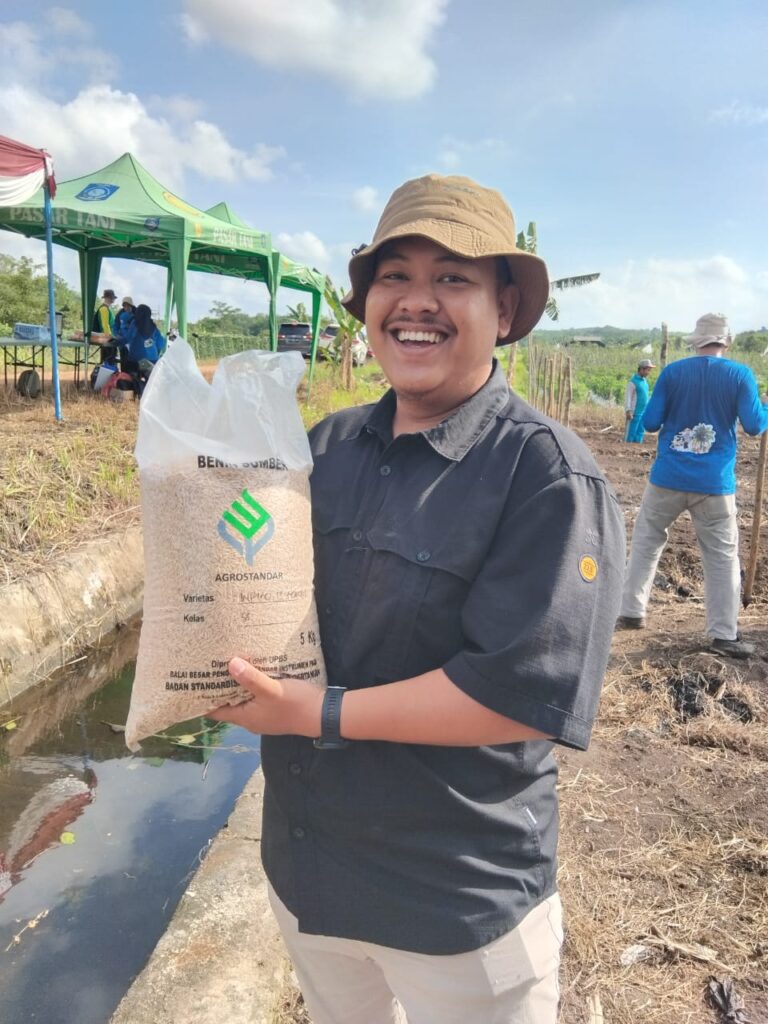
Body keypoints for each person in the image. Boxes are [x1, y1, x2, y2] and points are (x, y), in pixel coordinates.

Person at [208, 174, 625, 1024]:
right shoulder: (324, 447)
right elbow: (263, 593)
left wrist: (314, 712)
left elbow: (515, 695)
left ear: (504, 309)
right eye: (394, 276)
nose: (417, 302)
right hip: (309, 874)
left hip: (453, 903)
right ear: (368, 306)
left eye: (452, 278)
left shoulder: (546, 476)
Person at [617, 312, 768, 658]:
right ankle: (724, 634)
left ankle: (632, 611)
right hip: (714, 484)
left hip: (667, 478)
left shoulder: (672, 373)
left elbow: (651, 423)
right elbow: (754, 426)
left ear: (697, 341)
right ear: (726, 342)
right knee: (722, 557)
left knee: (646, 540)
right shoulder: (740, 375)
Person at [113, 303, 165, 395]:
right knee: (148, 371)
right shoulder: (153, 327)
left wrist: (114, 342)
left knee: (127, 363)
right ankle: (146, 387)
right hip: (152, 362)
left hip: (136, 362)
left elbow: (127, 339)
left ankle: (134, 386)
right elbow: (161, 344)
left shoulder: (135, 324)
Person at [624, 357, 655, 442]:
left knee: (640, 432)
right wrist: (628, 410)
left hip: (643, 412)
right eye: (648, 370)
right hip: (634, 413)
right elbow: (628, 397)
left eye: (649, 370)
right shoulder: (633, 382)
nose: (649, 372)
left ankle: (637, 447)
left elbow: (646, 396)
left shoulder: (645, 382)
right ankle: (627, 447)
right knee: (631, 433)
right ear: (641, 369)